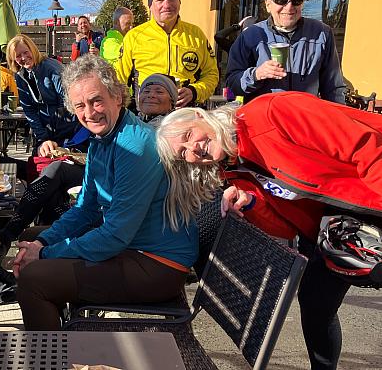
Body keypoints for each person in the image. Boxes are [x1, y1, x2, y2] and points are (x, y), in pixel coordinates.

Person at [156, 91, 382, 370]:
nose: (194, 149)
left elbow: (366, 146)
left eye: (189, 135)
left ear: (201, 115)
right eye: (183, 152)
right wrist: (250, 203)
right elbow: (288, 225)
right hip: (336, 226)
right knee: (315, 303)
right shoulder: (233, 169)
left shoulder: (272, 112)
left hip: (372, 193)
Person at [11, 55, 198, 331]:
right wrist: (43, 243)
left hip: (158, 265)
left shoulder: (136, 146)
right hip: (132, 248)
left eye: (96, 100)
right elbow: (85, 209)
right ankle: (63, 332)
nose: (89, 112)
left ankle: (55, 357)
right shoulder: (102, 139)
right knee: (32, 238)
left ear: (117, 97)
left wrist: (45, 254)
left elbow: (115, 236)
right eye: (79, 106)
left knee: (34, 280)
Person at [225, 0, 346, 104]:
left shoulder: (321, 33)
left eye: (296, 1)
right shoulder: (251, 35)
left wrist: (340, 120)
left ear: (302, 4)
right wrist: (256, 74)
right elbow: (232, 84)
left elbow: (333, 88)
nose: (289, 7)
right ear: (268, 5)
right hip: (265, 118)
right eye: (281, 1)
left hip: (303, 118)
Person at [118, 0, 218, 108]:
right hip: (146, 116)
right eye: (160, 0)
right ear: (150, 5)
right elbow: (118, 79)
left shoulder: (195, 34)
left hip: (185, 113)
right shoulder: (134, 36)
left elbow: (211, 74)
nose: (167, 5)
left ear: (180, 2)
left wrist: (194, 91)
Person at [6, 34, 80, 154]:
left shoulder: (52, 68)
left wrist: (58, 137)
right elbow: (28, 109)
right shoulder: (20, 75)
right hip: (45, 128)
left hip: (67, 129)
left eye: (25, 52)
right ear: (13, 59)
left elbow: (67, 101)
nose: (23, 58)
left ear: (32, 49)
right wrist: (42, 138)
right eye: (18, 56)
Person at [99, 7, 134, 72]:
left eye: (132, 23)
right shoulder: (109, 41)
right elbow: (127, 54)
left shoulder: (124, 39)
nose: (131, 27)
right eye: (128, 23)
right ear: (117, 23)